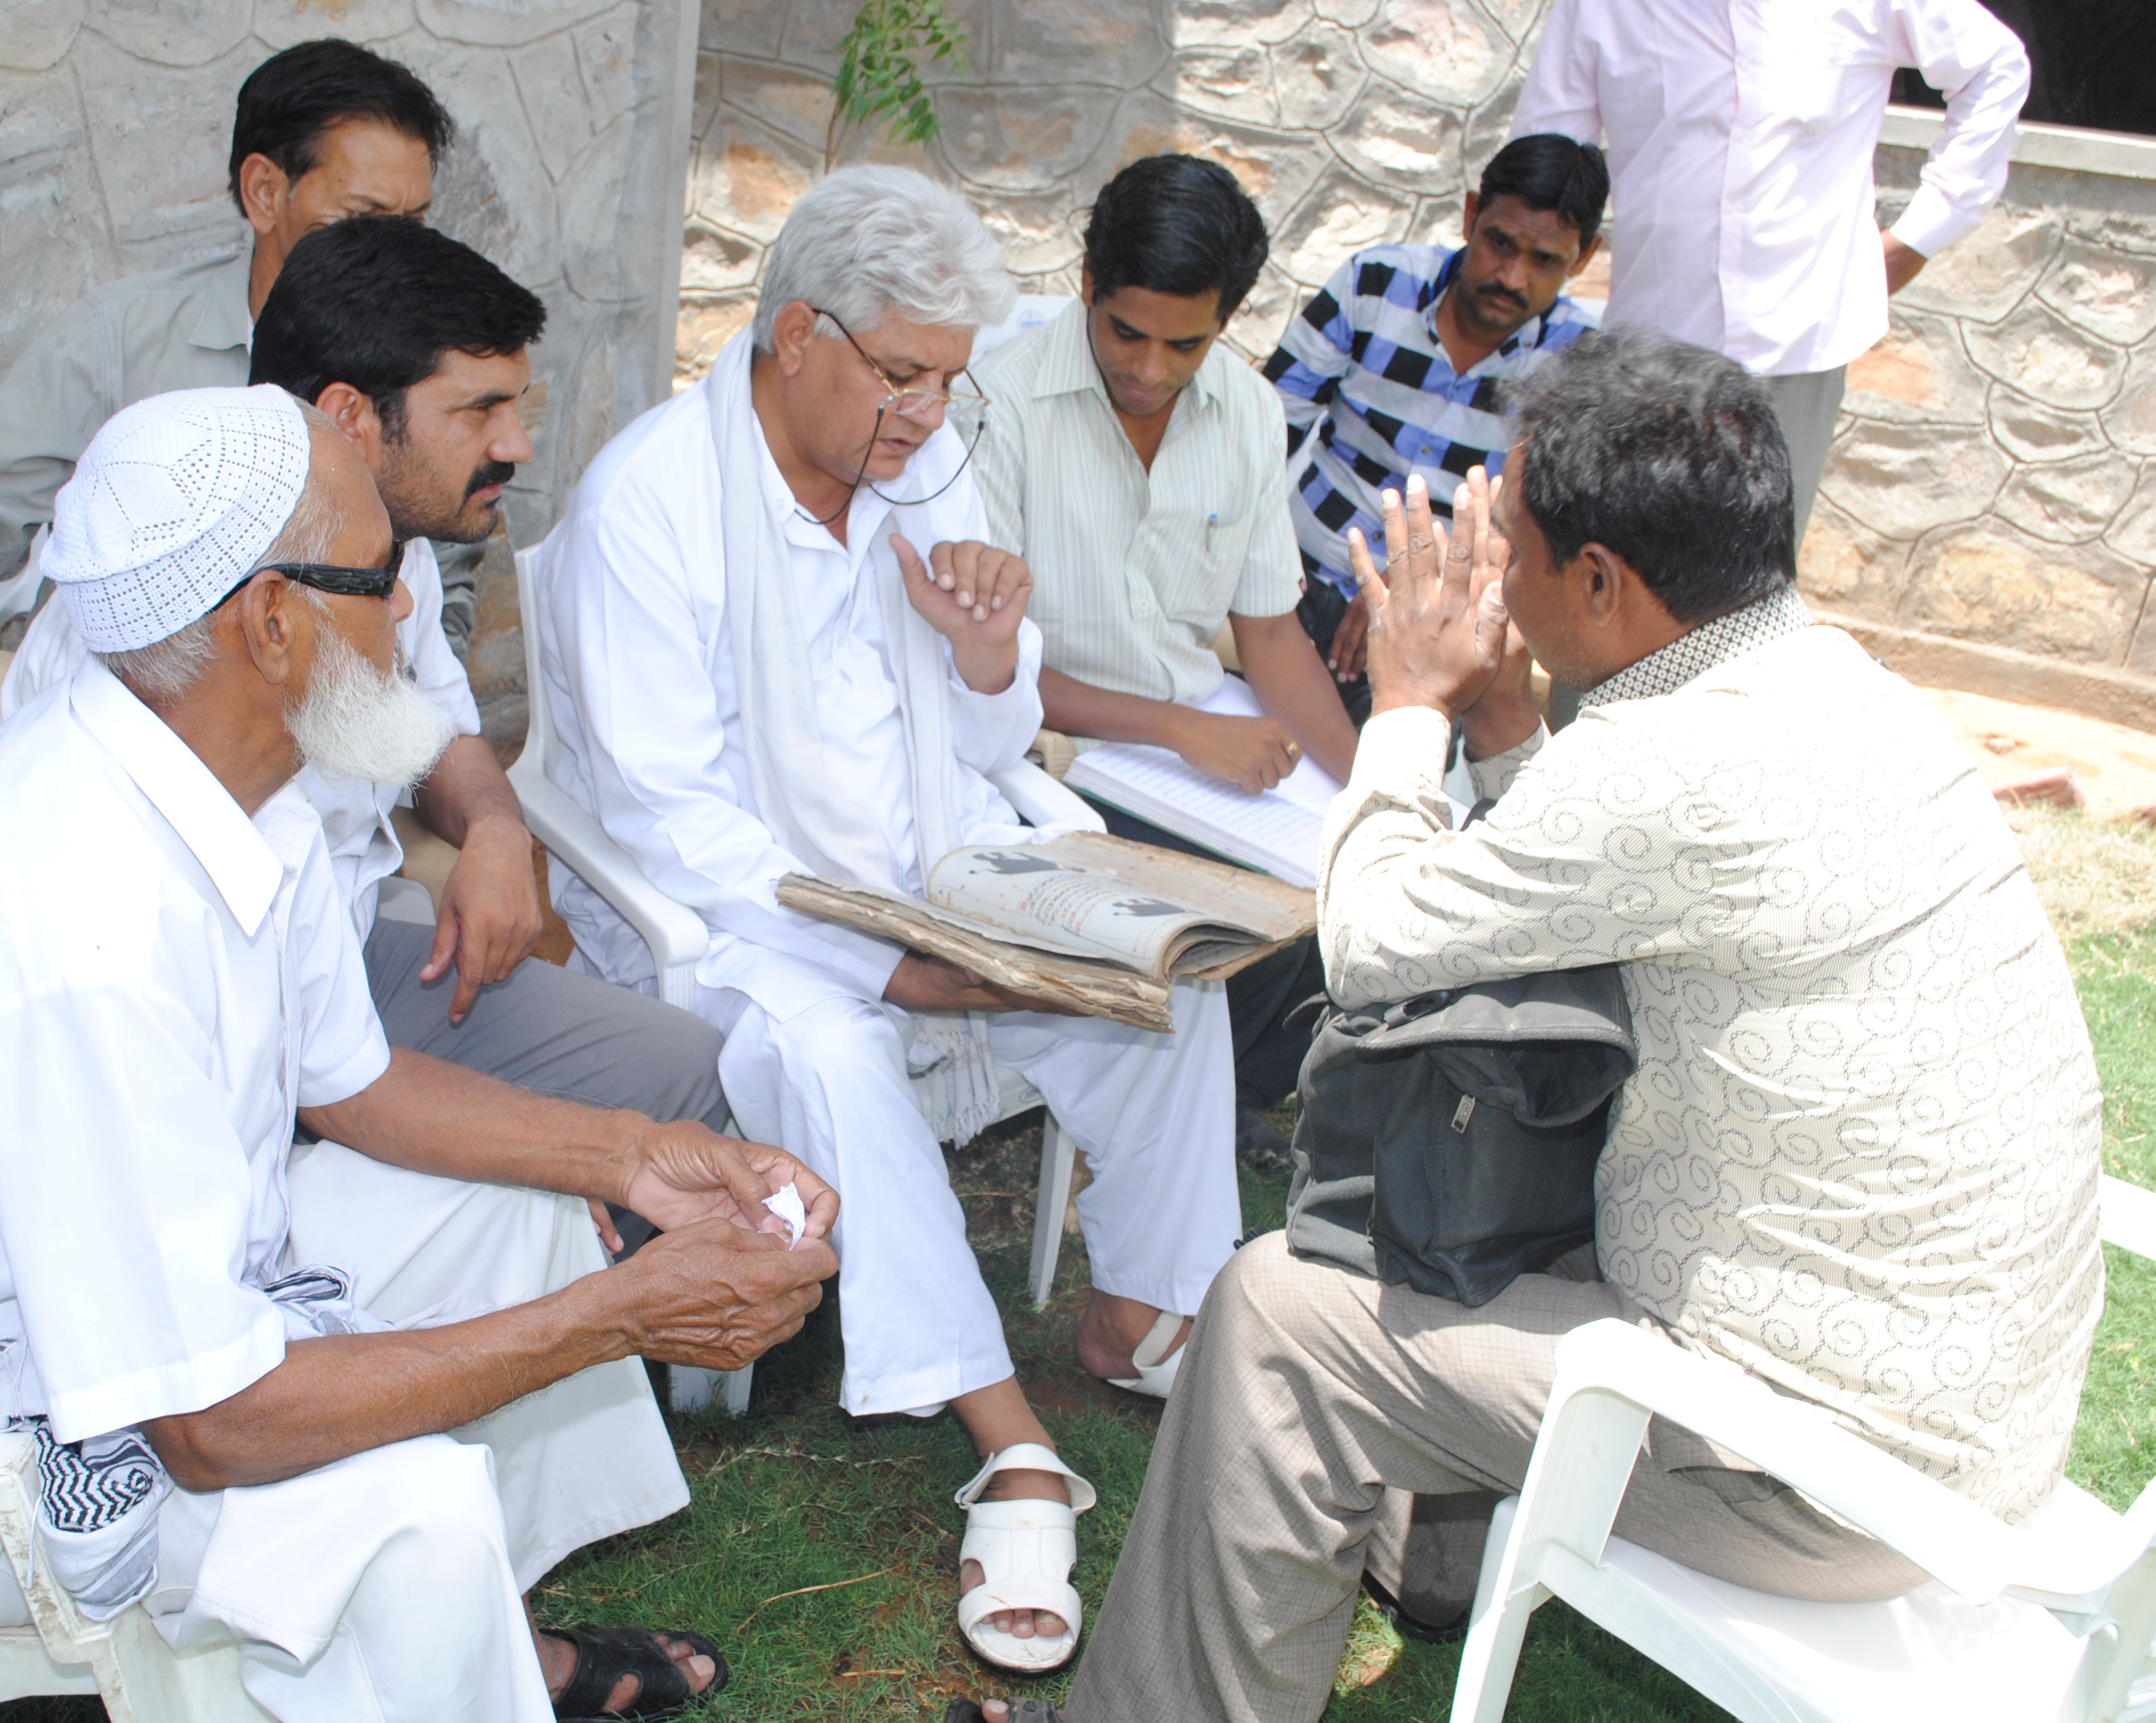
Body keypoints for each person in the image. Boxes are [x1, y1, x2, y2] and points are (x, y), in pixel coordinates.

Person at [1035, 327, 2106, 1723]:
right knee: (1508, 1178)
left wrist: (1408, 711)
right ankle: (1432, 1558)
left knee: (1274, 1315)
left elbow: (1366, 947)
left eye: (1514, 538)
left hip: (1820, 1481)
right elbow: (1599, 875)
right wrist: (1500, 721)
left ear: (1597, 580)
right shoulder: (1839, 690)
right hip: (1969, 1426)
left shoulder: (1666, 764)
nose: (1491, 567)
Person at [0, 385, 841, 1722]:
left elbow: (354, 1084)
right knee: (401, 1509)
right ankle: (433, 1643)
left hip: (133, 1323)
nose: (416, 613)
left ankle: (472, 1656)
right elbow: (210, 1426)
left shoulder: (246, 788)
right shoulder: (74, 921)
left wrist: (641, 1159)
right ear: (269, 621)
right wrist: (621, 1314)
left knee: (522, 1222)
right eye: (381, 575)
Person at [532, 166, 1242, 1679]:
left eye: (948, 380)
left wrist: (990, 655)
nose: (928, 415)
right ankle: (1011, 1438)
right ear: (798, 334)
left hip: (935, 861)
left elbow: (991, 744)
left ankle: (1136, 1312)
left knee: (1178, 979)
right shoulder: (652, 504)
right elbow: (671, 824)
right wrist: (887, 953)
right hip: (727, 924)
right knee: (843, 1049)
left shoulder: (921, 473)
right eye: (904, 375)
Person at [1, 215, 730, 1173]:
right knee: (539, 1194)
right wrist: (560, 1160)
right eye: (479, 410)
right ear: (350, 416)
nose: (515, 444)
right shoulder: (171, 600)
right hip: (200, 1029)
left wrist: (499, 832)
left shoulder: (393, 556)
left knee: (686, 1071)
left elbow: (437, 738)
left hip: (347, 967)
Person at [0, 39, 466, 685]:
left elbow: (454, 558)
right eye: (363, 216)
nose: (396, 255)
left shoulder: (442, 360)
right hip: (136, 741)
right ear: (265, 192)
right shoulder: (120, 341)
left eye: (414, 224)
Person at [974, 152, 1352, 1140]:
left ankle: (1227, 1096)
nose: (1148, 369)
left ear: (1227, 321)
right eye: (1125, 332)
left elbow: (1270, 635)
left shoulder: (1250, 412)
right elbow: (991, 668)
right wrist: (1181, 728)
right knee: (1251, 919)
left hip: (1199, 743)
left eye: (1185, 345)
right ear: (1088, 286)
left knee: (1352, 875)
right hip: (1051, 753)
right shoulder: (999, 401)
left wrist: (1373, 795)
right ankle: (1197, 1107)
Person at [1512, 0, 2029, 547]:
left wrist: (1919, 236)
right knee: (1631, 579)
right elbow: (1544, 158)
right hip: (1650, 352)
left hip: (1797, 353)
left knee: (1754, 588)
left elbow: (1995, 66)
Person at [1267, 133, 1605, 723]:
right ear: (1472, 215)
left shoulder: (1579, 365)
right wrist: (1252, 573)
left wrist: (1408, 588)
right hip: (1288, 580)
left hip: (1433, 626)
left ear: (1582, 258)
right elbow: (1267, 434)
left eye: (1545, 261)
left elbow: (1544, 530)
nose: (1513, 276)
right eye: (1500, 243)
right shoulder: (1374, 284)